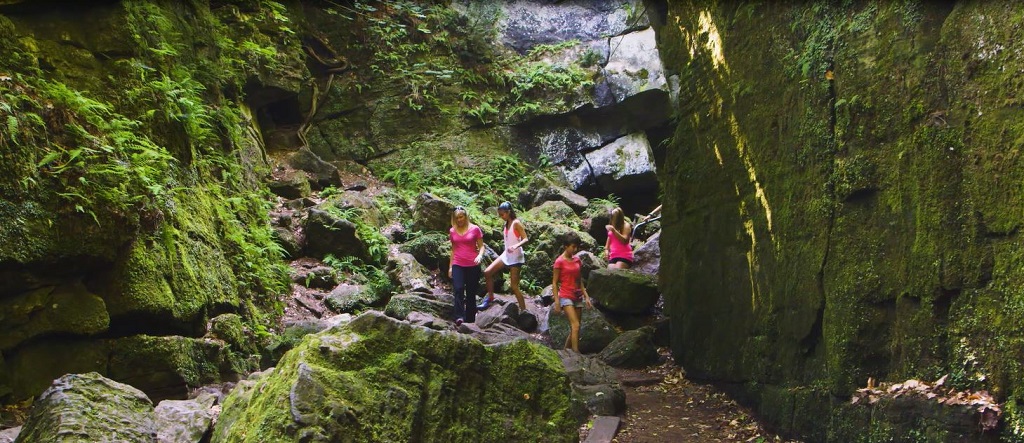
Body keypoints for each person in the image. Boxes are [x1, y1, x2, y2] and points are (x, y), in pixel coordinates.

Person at [480, 201, 529, 310]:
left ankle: (524, 310)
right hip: (506, 254)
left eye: (503, 214)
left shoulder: (516, 223)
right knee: (487, 272)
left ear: (509, 212)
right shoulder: (506, 224)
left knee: (514, 287)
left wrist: (516, 246)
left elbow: (525, 238)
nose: (501, 217)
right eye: (500, 215)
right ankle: (490, 298)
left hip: (516, 257)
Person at [552, 232, 592, 353]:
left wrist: (586, 296)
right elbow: (554, 283)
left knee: (575, 328)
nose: (575, 249)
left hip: (577, 296)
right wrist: (557, 302)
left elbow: (579, 279)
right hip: (566, 296)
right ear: (566, 246)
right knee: (575, 326)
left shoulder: (577, 260)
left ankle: (565, 352)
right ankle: (576, 353)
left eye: (577, 247)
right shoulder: (559, 262)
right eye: (573, 247)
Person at [449, 206, 485, 327]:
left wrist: (480, 255)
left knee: (471, 291)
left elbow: (482, 246)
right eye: (457, 218)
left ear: (465, 216)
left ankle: (470, 318)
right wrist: (450, 266)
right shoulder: (452, 231)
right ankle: (459, 316)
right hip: (458, 263)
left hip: (472, 264)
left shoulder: (475, 229)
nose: (459, 220)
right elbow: (453, 249)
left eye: (461, 217)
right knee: (458, 289)